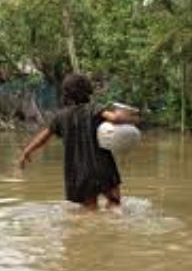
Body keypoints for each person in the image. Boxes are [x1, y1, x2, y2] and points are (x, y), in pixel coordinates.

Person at [18, 73, 136, 211]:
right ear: (88, 90)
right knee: (114, 202)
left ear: (66, 94)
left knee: (90, 211)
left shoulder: (60, 117)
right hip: (102, 167)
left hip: (78, 173)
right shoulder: (94, 108)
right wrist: (125, 115)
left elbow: (43, 138)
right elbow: (114, 118)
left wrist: (27, 152)